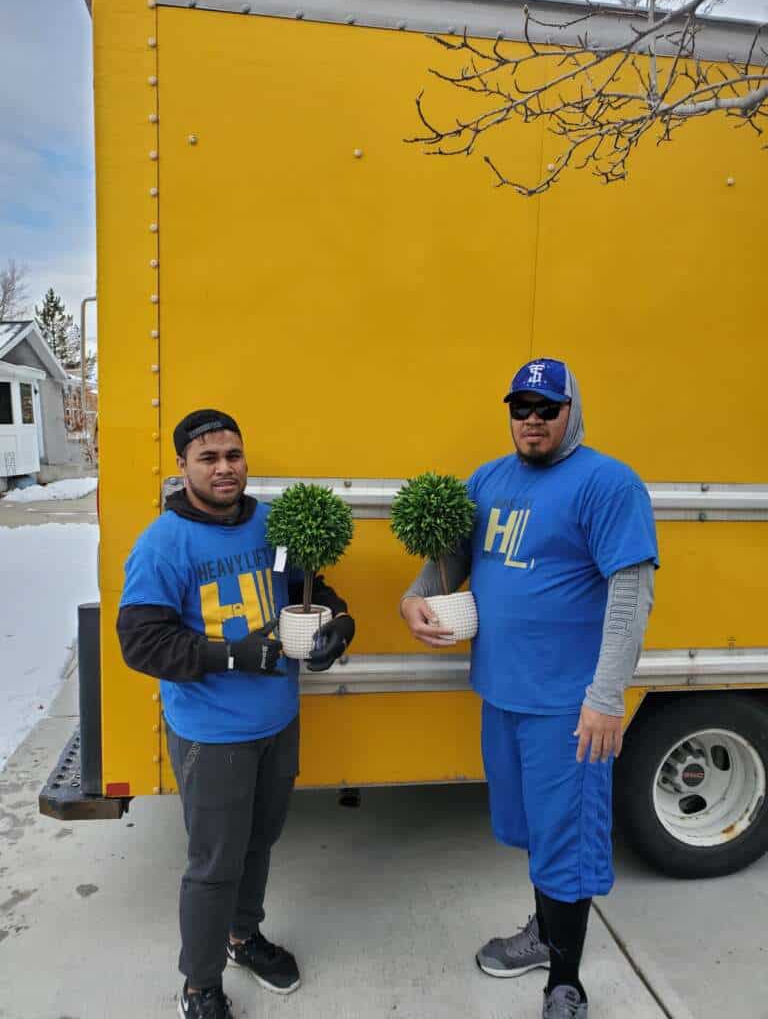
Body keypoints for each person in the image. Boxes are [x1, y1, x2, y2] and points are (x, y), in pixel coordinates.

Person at [400, 359, 657, 1019]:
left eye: (548, 408)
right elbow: (452, 559)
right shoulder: (488, 479)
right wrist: (414, 597)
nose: (533, 420)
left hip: (568, 707)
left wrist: (605, 697)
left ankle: (565, 985)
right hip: (502, 694)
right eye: (521, 408)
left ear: (573, 411)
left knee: (568, 845)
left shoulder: (608, 483)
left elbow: (631, 596)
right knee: (536, 833)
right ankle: (546, 935)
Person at [117, 409, 355, 1019]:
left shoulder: (272, 526)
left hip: (277, 721)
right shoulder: (163, 543)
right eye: (208, 458)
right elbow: (141, 643)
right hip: (212, 733)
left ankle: (242, 937)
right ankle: (200, 987)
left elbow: (305, 588)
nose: (224, 468)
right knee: (215, 864)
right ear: (183, 467)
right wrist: (230, 655)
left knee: (259, 843)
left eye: (233, 456)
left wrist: (338, 621)